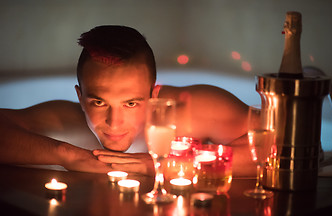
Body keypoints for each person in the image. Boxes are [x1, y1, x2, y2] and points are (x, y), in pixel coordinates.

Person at [0, 25, 255, 177]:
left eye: (130, 103)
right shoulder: (66, 121)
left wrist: (167, 165)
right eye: (98, 102)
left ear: (154, 96)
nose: (114, 121)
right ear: (80, 98)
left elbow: (277, 144)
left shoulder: (190, 108)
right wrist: (66, 154)